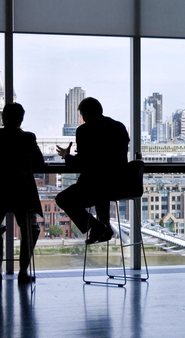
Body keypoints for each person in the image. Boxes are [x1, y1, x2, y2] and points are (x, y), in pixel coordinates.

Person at [0, 103, 44, 285]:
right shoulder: (28, 138)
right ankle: (23, 272)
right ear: (21, 120)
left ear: (2, 118)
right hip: (21, 192)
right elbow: (39, 163)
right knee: (30, 229)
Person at [55, 97, 129, 244]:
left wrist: (67, 156)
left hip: (95, 185)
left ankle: (99, 227)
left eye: (82, 115)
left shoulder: (84, 130)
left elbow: (81, 164)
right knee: (102, 189)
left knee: (62, 199)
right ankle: (102, 227)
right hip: (119, 185)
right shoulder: (119, 127)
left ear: (86, 114)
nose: (83, 119)